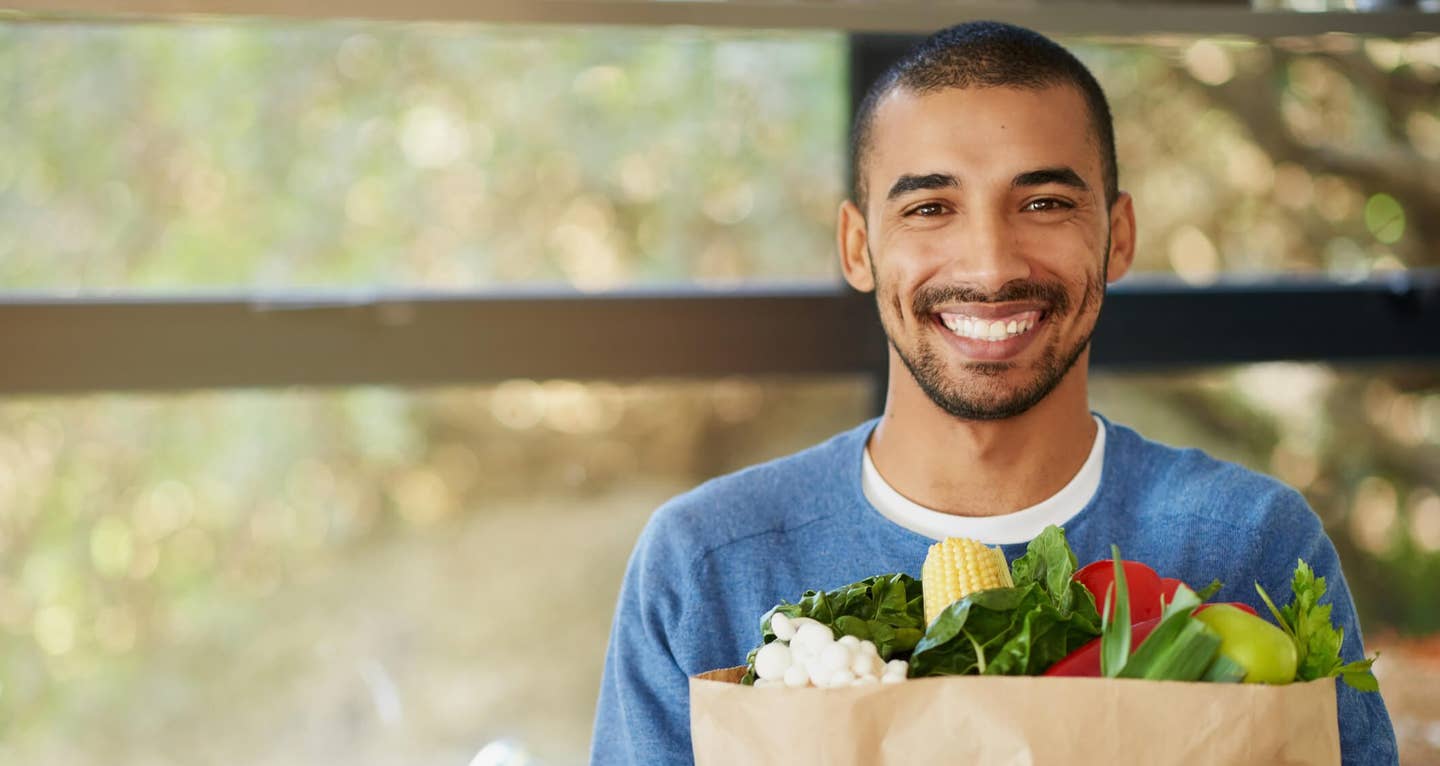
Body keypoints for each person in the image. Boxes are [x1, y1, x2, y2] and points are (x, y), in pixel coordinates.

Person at [589, 20, 1398, 765]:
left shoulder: (1249, 544)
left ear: (1117, 238)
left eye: (1043, 203)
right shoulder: (706, 565)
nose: (989, 265)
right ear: (858, 246)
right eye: (930, 207)